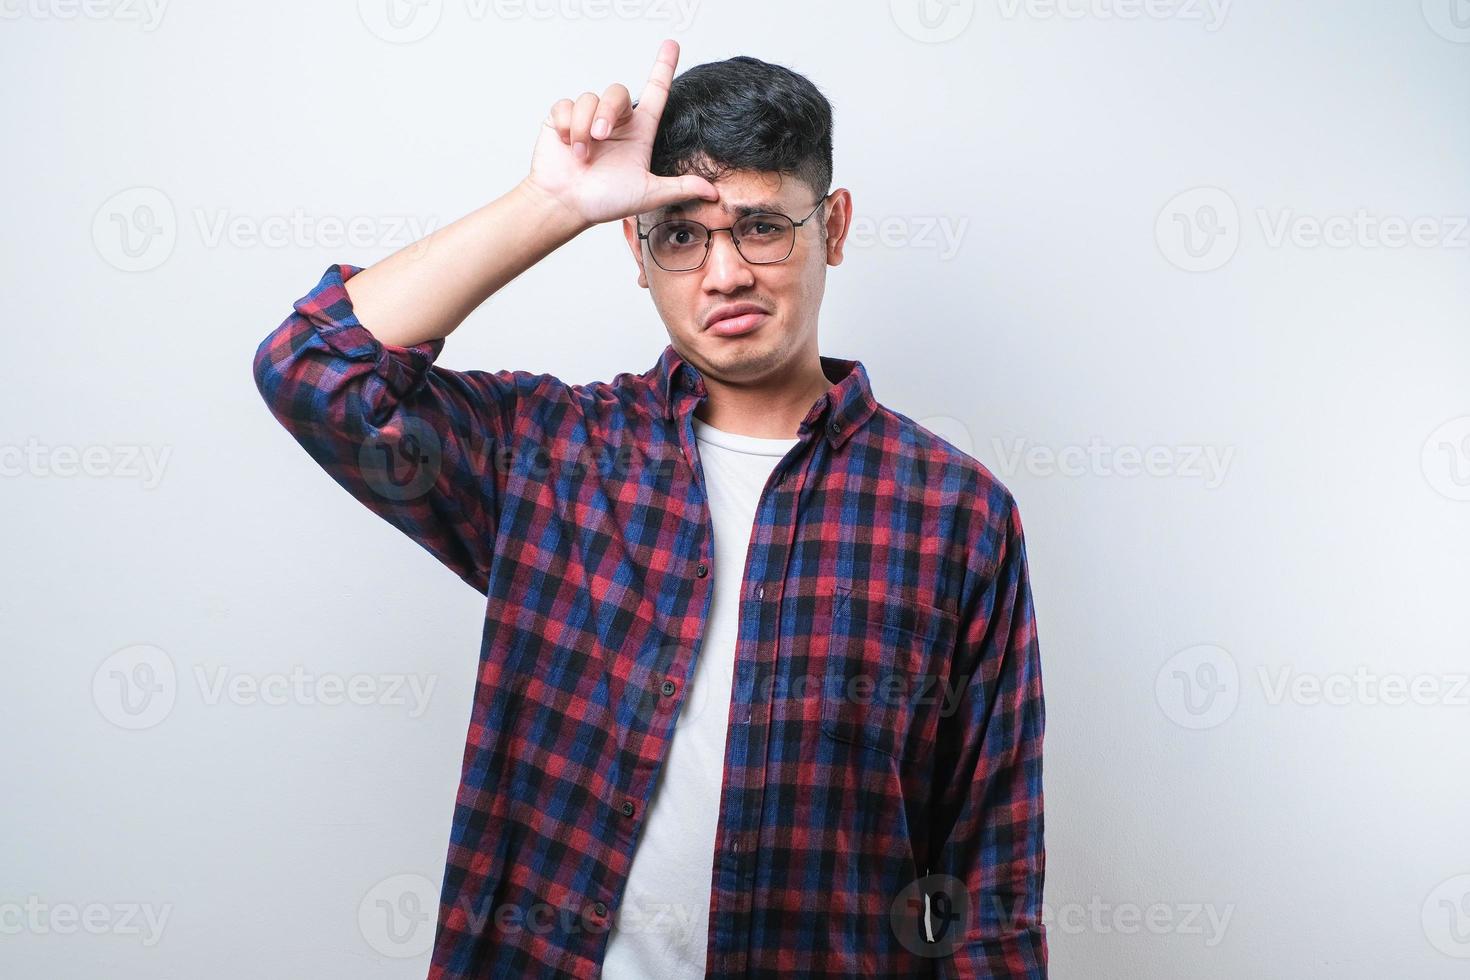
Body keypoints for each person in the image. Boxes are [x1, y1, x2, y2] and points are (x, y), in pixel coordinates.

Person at [252, 38, 1047, 979]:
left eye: (762, 227)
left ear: (832, 226)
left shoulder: (954, 514)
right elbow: (315, 372)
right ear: (635, 247)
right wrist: (548, 205)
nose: (724, 275)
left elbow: (985, 890)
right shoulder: (551, 455)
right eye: (680, 232)